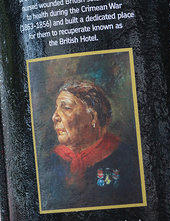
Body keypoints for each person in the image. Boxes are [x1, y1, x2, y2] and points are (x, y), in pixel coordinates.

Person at [40, 80, 142, 210]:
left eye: (66, 108)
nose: (55, 117)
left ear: (92, 117)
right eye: (56, 108)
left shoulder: (126, 158)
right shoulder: (52, 161)